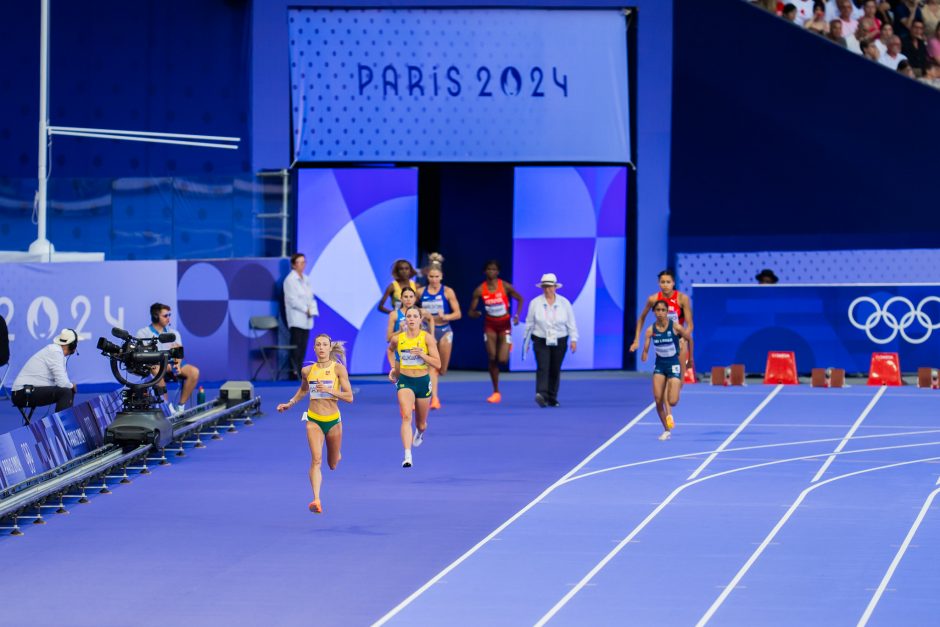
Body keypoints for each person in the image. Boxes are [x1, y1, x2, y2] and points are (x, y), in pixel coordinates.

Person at [276, 334, 353, 514]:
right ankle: (317, 499)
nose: (321, 348)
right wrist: (290, 403)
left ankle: (336, 453)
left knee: (332, 464)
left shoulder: (338, 369)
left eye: (324, 345)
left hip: (333, 420)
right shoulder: (307, 371)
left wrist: (329, 390)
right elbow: (303, 390)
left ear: (329, 348)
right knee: (316, 459)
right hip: (314, 419)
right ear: (314, 348)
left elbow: (349, 397)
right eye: (318, 345)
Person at [388, 306, 442, 468]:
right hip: (405, 381)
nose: (411, 319)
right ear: (405, 320)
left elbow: (437, 363)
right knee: (405, 416)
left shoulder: (427, 339)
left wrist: (422, 355)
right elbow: (390, 351)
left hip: (422, 382)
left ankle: (420, 432)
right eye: (408, 316)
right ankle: (407, 455)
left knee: (421, 423)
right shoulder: (398, 339)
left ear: (420, 319)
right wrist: (393, 368)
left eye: (414, 316)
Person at [467, 260, 524, 403]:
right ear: (485, 272)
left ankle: (507, 344)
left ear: (497, 272)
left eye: (494, 269)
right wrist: (475, 314)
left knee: (502, 359)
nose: (491, 272)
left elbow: (520, 299)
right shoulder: (480, 290)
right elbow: (470, 312)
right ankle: (496, 391)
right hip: (490, 325)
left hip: (505, 325)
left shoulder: (504, 286)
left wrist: (517, 315)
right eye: (488, 269)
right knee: (492, 357)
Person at [524, 273, 578, 408]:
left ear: (555, 287)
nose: (548, 289)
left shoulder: (564, 303)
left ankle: (552, 397)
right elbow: (529, 323)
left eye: (550, 286)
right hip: (540, 338)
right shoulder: (535, 303)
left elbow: (571, 322)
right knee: (543, 367)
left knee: (555, 368)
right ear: (542, 287)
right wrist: (526, 341)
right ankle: (541, 394)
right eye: (545, 287)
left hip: (560, 338)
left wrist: (574, 339)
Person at [641, 301, 692, 441]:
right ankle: (666, 429)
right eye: (658, 310)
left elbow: (689, 339)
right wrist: (644, 353)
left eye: (663, 310)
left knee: (673, 400)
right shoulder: (650, 330)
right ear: (654, 312)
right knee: (658, 400)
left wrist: (690, 359)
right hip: (660, 366)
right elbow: (646, 345)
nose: (660, 312)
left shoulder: (675, 326)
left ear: (666, 311)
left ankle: (670, 404)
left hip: (673, 364)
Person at [630, 269, 694, 379]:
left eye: (668, 282)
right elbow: (641, 319)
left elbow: (690, 325)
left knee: (678, 381)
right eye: (662, 282)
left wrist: (683, 339)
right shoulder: (653, 299)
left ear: (673, 283)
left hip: (679, 342)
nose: (665, 285)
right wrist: (636, 340)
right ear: (658, 283)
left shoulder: (682, 299)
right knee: (663, 380)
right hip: (663, 342)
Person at [136, 303, 200, 412]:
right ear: (156, 316)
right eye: (165, 316)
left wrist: (177, 364)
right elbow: (143, 356)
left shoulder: (173, 333)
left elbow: (179, 352)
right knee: (156, 369)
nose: (168, 318)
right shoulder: (143, 333)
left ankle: (180, 407)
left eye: (169, 315)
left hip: (172, 364)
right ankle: (167, 407)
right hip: (155, 366)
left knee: (194, 372)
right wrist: (164, 365)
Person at [417, 256, 461, 409]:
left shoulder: (448, 291)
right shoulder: (420, 292)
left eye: (436, 277)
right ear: (427, 276)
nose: (434, 279)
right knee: (431, 367)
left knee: (441, 369)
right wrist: (418, 313)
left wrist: (446, 316)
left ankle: (432, 394)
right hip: (427, 331)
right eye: (431, 276)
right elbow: (409, 307)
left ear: (441, 277)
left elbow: (458, 313)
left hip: (444, 330)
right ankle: (434, 398)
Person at [11, 329, 78, 412]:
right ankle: (63, 423)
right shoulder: (55, 351)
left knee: (67, 390)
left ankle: (64, 421)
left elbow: (62, 382)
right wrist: (72, 386)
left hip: (24, 391)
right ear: (72, 345)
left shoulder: (58, 353)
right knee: (66, 392)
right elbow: (62, 383)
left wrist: (70, 385)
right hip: (21, 393)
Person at [283, 252, 318, 379]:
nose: (302, 265)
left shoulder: (306, 279)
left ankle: (300, 371)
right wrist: (305, 309)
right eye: (299, 262)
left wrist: (312, 309)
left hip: (307, 319)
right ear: (293, 265)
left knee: (303, 346)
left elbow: (310, 297)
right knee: (296, 346)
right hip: (297, 318)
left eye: (304, 262)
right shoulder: (290, 280)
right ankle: (293, 372)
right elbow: (292, 300)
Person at [386, 287, 434, 367]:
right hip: (402, 353)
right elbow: (388, 338)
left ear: (415, 298)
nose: (408, 299)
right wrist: (400, 331)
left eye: (411, 297)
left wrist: (432, 336)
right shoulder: (394, 314)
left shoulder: (422, 312)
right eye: (405, 297)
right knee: (402, 377)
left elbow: (431, 319)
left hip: (418, 351)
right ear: (401, 298)